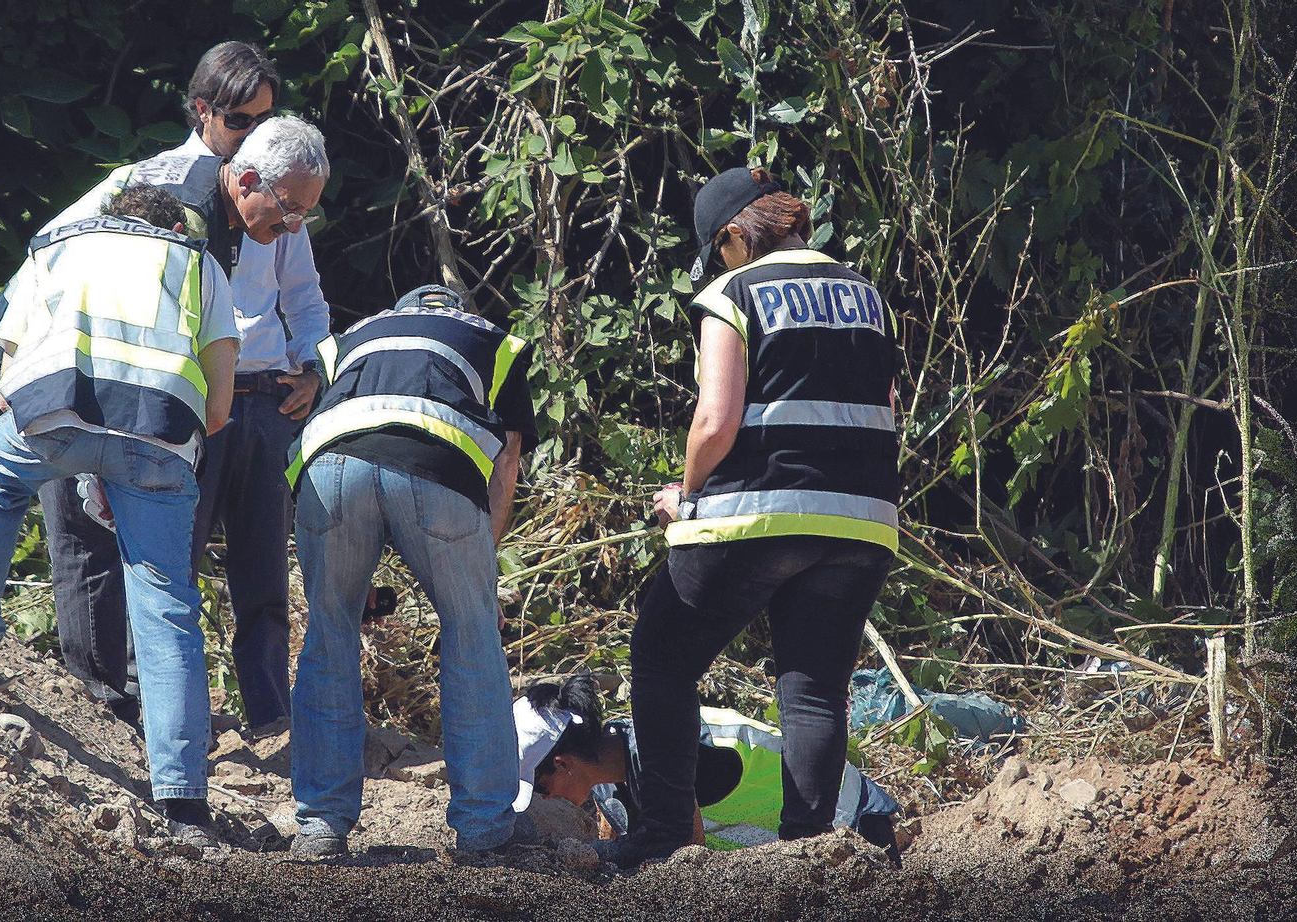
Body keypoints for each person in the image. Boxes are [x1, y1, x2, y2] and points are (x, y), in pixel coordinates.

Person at [0, 45, 330, 732]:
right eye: (239, 120)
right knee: (143, 563)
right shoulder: (158, 187)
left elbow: (304, 296)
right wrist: (18, 360)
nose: (251, 130)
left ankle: (244, 722)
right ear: (204, 112)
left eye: (266, 117)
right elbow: (52, 248)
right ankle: (127, 714)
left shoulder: (276, 200)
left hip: (245, 400)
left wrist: (309, 369)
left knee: (251, 575)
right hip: (151, 397)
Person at [0, 186, 241, 847]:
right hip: (163, 439)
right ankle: (184, 804)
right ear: (172, 225)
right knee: (165, 599)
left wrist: (82, 454)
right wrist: (132, 464)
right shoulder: (200, 263)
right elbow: (222, 405)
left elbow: (8, 375)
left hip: (57, 410)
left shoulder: (60, 243)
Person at [600, 167, 902, 868]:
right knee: (815, 690)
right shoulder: (868, 294)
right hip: (862, 519)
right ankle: (807, 853)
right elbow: (886, 404)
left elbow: (714, 420)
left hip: (759, 511)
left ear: (736, 235)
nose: (720, 262)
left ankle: (666, 838)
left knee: (662, 661)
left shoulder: (735, 292)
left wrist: (690, 493)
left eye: (720, 248)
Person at [283, 284, 537, 857]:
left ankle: (321, 826)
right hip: (437, 464)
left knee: (329, 634)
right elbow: (508, 455)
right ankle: (484, 827)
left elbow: (348, 431)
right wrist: (482, 578)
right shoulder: (493, 341)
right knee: (472, 636)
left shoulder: (348, 340)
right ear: (459, 314)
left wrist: (355, 574)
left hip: (329, 467)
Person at [514, 677, 901, 861]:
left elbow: (687, 859)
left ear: (563, 764)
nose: (546, 798)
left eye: (541, 787)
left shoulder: (664, 757)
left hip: (855, 832)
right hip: (798, 849)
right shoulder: (610, 773)